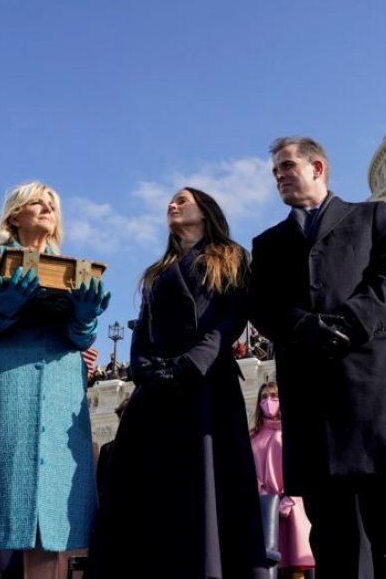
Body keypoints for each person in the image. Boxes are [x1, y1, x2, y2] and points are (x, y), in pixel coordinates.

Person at [249, 136, 386, 578]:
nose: (279, 176)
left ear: (318, 167)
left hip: (376, 400)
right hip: (315, 409)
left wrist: (351, 320)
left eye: (287, 166)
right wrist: (303, 326)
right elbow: (261, 305)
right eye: (275, 170)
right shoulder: (268, 243)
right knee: (334, 544)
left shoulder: (370, 217)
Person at [86, 187, 269, 579]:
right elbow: (142, 330)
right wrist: (145, 369)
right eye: (171, 201)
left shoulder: (231, 257)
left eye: (182, 200)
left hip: (206, 387)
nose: (172, 204)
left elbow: (231, 319)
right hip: (155, 393)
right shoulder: (157, 271)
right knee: (148, 493)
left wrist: (192, 364)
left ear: (205, 211)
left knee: (208, 490)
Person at [0, 182, 109, 579]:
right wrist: (2, 306)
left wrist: (86, 316)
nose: (47, 207)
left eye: (53, 204)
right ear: (15, 214)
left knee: (47, 523)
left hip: (62, 393)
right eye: (37, 201)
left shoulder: (73, 269)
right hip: (2, 390)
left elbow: (81, 338)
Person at [250, 381, 314, 579]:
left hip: (293, 508)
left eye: (273, 396)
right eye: (264, 397)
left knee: (296, 568)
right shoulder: (253, 436)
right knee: (269, 567)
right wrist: (263, 497)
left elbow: (302, 467)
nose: (268, 401)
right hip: (266, 511)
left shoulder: (292, 432)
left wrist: (290, 498)